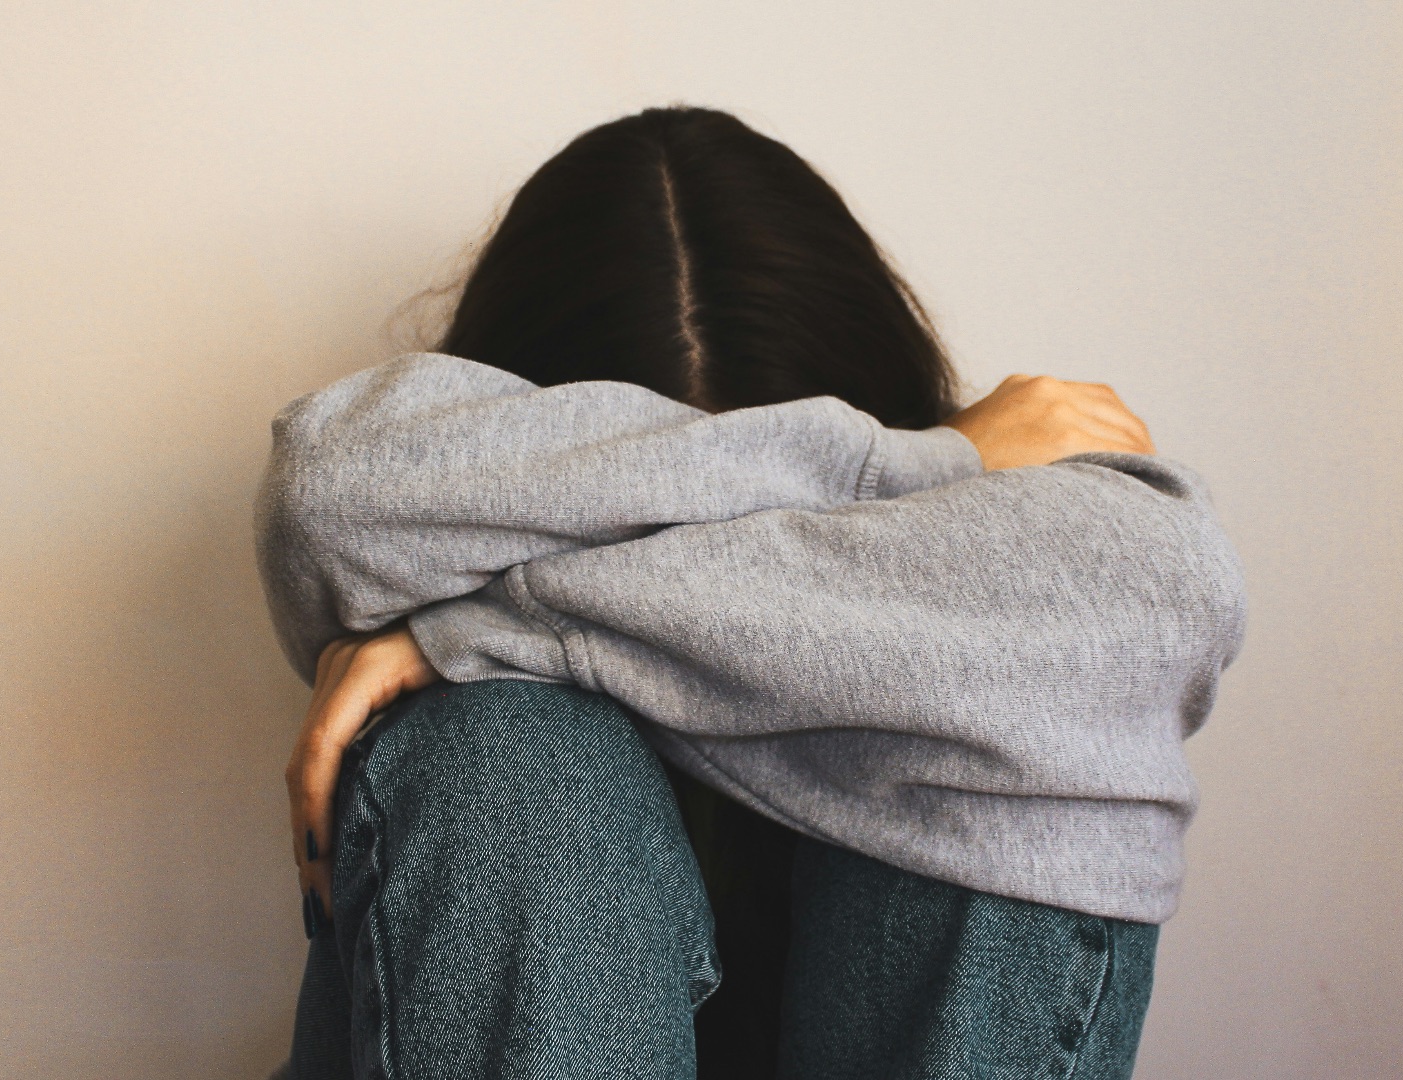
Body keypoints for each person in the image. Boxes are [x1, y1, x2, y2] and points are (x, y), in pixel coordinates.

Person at [255, 106, 1246, 1080]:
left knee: (1014, 714)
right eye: (658, 505)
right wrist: (915, 470)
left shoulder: (1000, 544)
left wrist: (484, 621)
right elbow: (324, 496)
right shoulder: (938, 468)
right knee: (499, 746)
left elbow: (1168, 593)